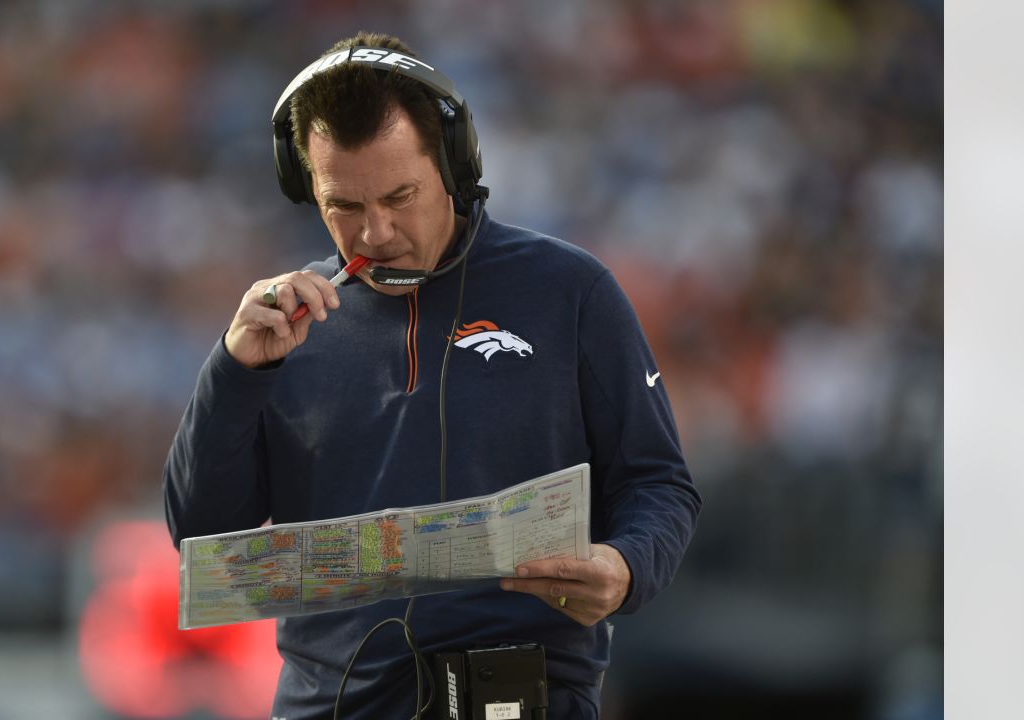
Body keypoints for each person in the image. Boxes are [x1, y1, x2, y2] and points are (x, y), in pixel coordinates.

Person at [163, 32, 701, 719]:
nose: (377, 232)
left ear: (454, 163)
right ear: (305, 188)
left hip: (523, 700)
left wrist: (627, 568)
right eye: (345, 207)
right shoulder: (282, 329)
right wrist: (234, 372)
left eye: (399, 195)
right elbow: (203, 535)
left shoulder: (571, 290)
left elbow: (659, 482)